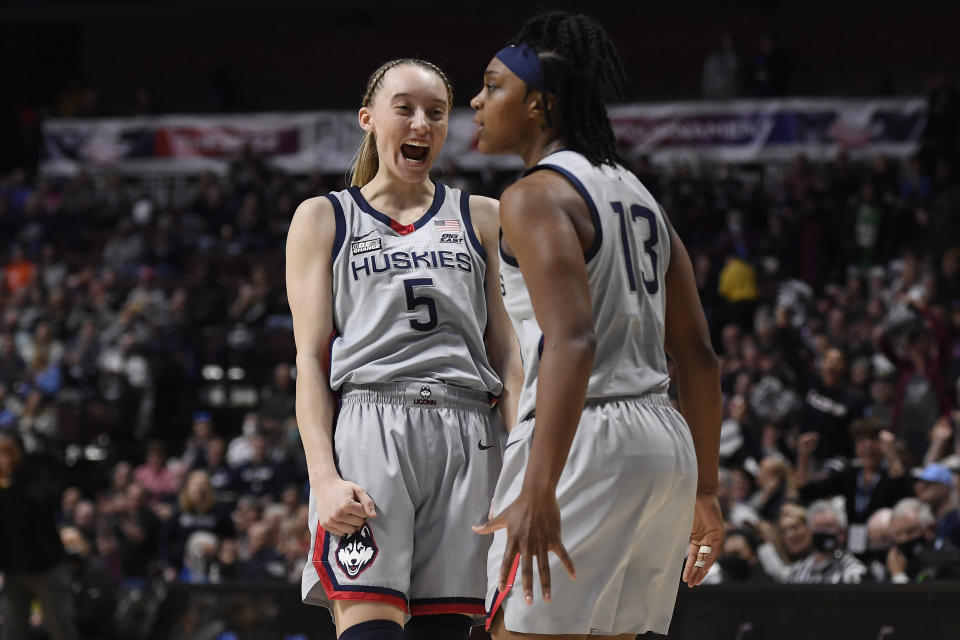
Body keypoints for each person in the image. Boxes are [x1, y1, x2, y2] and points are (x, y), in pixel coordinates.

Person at [469, 11, 723, 638]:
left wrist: (539, 486)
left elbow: (572, 340)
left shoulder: (533, 197)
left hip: (586, 439)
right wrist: (707, 490)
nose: (475, 100)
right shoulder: (639, 194)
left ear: (539, 105)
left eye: (494, 85)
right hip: (664, 444)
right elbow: (697, 355)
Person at [287, 58, 522, 640]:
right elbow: (310, 363)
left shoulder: (484, 217)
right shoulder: (323, 217)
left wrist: (522, 471)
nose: (421, 123)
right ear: (368, 119)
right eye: (406, 109)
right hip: (371, 425)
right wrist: (323, 477)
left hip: (469, 430)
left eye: (436, 113)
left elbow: (512, 361)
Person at [0, 431, 80, 640]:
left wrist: (11, 481)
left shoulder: (35, 474)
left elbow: (33, 510)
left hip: (46, 567)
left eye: (7, 452)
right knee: (11, 631)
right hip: (13, 570)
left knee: (60, 628)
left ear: (19, 452)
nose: (3, 458)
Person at [784, 499, 869, 584]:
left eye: (829, 526)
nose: (823, 531)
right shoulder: (796, 572)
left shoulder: (854, 573)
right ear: (809, 532)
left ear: (841, 533)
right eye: (818, 527)